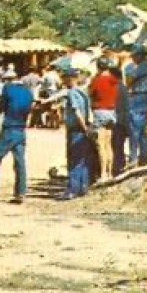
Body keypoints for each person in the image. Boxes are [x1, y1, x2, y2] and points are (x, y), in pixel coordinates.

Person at [0, 72, 35, 203]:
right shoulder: (28, 92)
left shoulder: (7, 89)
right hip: (21, 129)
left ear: (8, 80)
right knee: (19, 162)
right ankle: (20, 193)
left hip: (9, 128)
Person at [58, 68, 94, 200]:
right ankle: (83, 187)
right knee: (82, 159)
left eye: (64, 78)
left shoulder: (72, 93)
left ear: (70, 78)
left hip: (76, 128)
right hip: (83, 129)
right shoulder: (82, 92)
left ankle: (72, 190)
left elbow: (77, 112)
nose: (63, 80)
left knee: (73, 159)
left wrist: (84, 127)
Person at [123, 44, 147, 168]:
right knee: (142, 130)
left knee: (134, 129)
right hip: (143, 97)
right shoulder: (146, 66)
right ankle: (143, 157)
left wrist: (128, 71)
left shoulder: (142, 66)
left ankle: (133, 157)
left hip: (139, 96)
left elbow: (129, 80)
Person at [87, 58, 120, 178]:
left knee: (101, 145)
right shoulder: (114, 80)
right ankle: (110, 172)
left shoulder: (97, 80)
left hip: (100, 111)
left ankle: (103, 173)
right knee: (108, 144)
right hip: (111, 111)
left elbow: (90, 92)